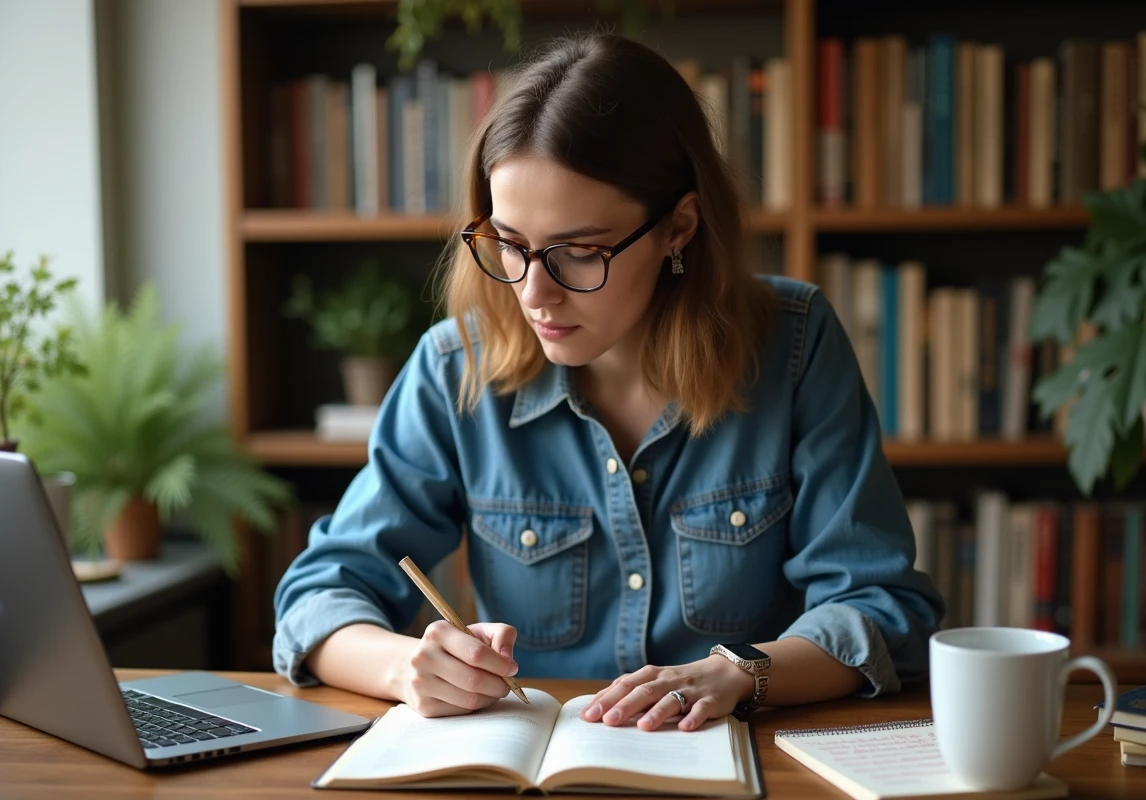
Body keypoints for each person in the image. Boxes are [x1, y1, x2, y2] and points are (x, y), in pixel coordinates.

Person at [273, 32, 943, 733]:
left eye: (578, 253)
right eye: (510, 243)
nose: (534, 294)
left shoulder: (795, 345)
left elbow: (879, 605)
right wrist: (406, 666)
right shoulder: (454, 369)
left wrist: (739, 674)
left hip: (739, 758)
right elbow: (320, 596)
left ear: (678, 226)